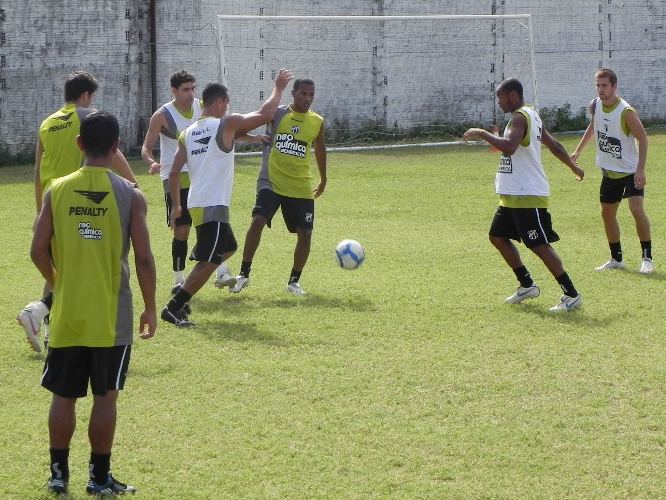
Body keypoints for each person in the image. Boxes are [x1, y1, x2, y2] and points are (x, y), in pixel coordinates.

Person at [31, 111, 156, 495]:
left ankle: (58, 474)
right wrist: (151, 307)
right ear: (117, 147)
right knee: (106, 397)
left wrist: (59, 283)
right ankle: (99, 478)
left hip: (68, 313)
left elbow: (36, 251)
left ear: (79, 144)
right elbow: (145, 258)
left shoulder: (57, 190)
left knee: (63, 396)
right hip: (110, 316)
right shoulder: (130, 194)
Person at [161, 69, 294, 327]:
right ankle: (175, 306)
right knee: (210, 259)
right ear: (220, 102)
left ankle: (187, 285)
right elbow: (266, 115)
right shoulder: (226, 123)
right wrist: (278, 88)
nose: (228, 107)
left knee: (228, 247)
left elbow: (175, 170)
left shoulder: (187, 133)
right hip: (212, 203)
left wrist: (177, 204)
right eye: (227, 103)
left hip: (198, 202)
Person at [18, 70, 138, 352]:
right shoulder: (87, 117)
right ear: (85, 95)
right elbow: (110, 150)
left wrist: (40, 211)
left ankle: (47, 326)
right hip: (80, 199)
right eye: (91, 96)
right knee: (84, 268)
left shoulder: (47, 123)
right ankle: (38, 312)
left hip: (53, 202)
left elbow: (38, 170)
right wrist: (132, 183)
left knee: (62, 266)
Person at [463, 78, 585, 312]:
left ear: (512, 95)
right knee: (497, 237)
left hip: (527, 194)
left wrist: (481, 133)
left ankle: (571, 294)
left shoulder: (520, 117)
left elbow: (509, 147)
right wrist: (574, 166)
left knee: (539, 245)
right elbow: (555, 145)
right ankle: (527, 284)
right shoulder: (531, 115)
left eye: (500, 97)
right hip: (512, 195)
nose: (499, 102)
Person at [141, 71, 238, 294]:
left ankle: (220, 270)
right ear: (173, 91)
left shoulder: (204, 106)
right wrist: (151, 161)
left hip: (201, 173)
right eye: (185, 90)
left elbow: (226, 129)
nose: (191, 94)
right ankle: (178, 279)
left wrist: (252, 137)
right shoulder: (162, 115)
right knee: (182, 229)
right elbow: (146, 147)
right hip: (174, 176)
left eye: (193, 88)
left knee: (214, 227)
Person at [229, 78, 327, 296]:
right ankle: (244, 274)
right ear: (293, 93)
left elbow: (320, 150)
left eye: (311, 95)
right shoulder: (277, 113)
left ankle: (294, 281)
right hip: (270, 180)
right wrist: (254, 138)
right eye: (303, 94)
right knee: (258, 221)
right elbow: (238, 130)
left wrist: (323, 179)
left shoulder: (317, 122)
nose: (307, 99)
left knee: (305, 234)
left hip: (300, 185)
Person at [571, 68, 653, 274]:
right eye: (598, 85)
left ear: (614, 86)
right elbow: (593, 126)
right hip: (609, 172)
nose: (600, 90)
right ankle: (616, 259)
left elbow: (643, 139)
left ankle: (647, 257)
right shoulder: (596, 105)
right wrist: (578, 152)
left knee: (636, 209)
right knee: (607, 214)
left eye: (604, 85)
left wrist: (640, 170)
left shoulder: (626, 112)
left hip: (630, 172)